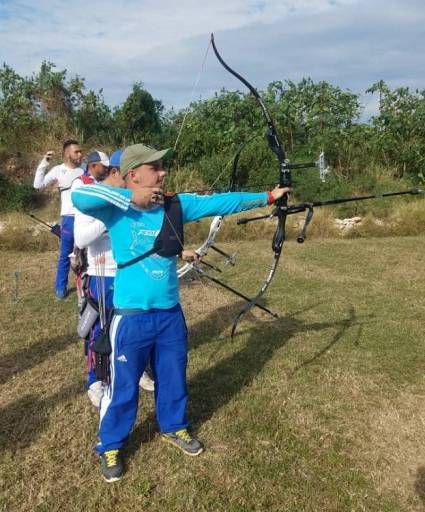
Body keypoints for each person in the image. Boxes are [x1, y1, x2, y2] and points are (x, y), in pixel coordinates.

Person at [71, 143, 290, 482]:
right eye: (155, 167)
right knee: (122, 385)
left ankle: (174, 426)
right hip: (130, 316)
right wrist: (130, 198)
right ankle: (111, 443)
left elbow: (220, 202)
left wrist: (268, 196)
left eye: (162, 166)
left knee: (172, 374)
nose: (162, 172)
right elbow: (81, 199)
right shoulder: (116, 210)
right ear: (134, 174)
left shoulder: (174, 205)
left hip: (169, 314)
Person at [73, 150, 155, 407]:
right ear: (116, 172)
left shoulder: (132, 197)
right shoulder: (93, 197)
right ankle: (95, 381)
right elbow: (81, 239)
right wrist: (111, 217)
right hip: (102, 274)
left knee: (134, 327)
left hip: (130, 273)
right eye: (130, 175)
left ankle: (137, 368)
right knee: (100, 329)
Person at [33, 140, 84, 299]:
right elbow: (37, 185)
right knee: (65, 255)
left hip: (85, 218)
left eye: (80, 151)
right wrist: (44, 162)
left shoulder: (84, 170)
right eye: (76, 152)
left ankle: (86, 287)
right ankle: (60, 289)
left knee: (86, 254)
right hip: (68, 218)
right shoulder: (57, 170)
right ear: (67, 154)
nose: (80, 155)